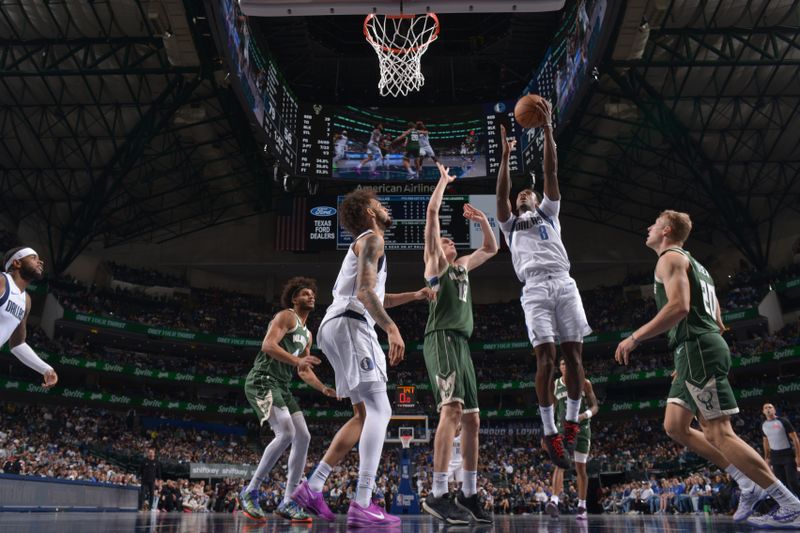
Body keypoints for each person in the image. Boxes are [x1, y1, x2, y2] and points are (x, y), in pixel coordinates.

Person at [614, 209, 800, 528]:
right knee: (675, 425)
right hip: (695, 351)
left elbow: (680, 307)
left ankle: (790, 503)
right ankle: (745, 481)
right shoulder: (699, 267)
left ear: (667, 230)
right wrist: (685, 360)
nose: (648, 227)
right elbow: (716, 318)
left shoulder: (669, 258)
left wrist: (635, 337)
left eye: (654, 224)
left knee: (719, 432)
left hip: (698, 350)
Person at [292, 189, 432, 527]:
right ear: (369, 213)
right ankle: (363, 501)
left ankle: (314, 485)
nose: (384, 207)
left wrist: (414, 295)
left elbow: (377, 294)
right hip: (352, 325)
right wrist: (392, 330)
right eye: (378, 204)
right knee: (382, 409)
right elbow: (365, 294)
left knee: (363, 413)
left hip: (337, 325)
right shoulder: (373, 241)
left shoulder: (367, 246)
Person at [495, 102, 592, 470]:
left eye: (526, 194)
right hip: (534, 288)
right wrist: (505, 157)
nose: (521, 195)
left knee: (575, 358)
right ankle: (550, 431)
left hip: (565, 284)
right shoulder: (509, 224)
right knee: (546, 359)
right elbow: (501, 194)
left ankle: (570, 423)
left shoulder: (549, 212)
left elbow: (550, 169)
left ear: (537, 199)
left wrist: (549, 129)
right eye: (519, 196)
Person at [420, 163, 497, 525]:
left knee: (473, 420)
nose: (449, 241)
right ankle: (437, 493)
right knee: (450, 411)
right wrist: (443, 182)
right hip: (443, 340)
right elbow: (433, 213)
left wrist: (483, 219)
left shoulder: (463, 265)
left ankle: (468, 493)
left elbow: (492, 248)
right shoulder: (435, 263)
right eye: (446, 240)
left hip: (462, 345)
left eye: (452, 240)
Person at [239, 277, 337, 523]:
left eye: (313, 294)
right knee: (285, 432)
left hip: (281, 385)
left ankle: (289, 500)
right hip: (262, 379)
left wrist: (324, 389)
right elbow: (268, 345)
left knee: (303, 435)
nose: (311, 297)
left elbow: (303, 370)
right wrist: (296, 361)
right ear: (294, 298)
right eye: (305, 294)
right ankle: (250, 491)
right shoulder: (286, 316)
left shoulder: (308, 334)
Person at [547, 358, 598, 520]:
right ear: (559, 368)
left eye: (567, 363)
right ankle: (554, 501)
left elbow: (595, 406)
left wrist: (584, 415)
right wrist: (548, 430)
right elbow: (551, 408)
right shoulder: (555, 385)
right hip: (562, 430)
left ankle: (582, 505)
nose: (565, 366)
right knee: (559, 464)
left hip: (582, 430)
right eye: (562, 364)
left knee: (580, 469)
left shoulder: (584, 383)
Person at [1, 247, 58, 388]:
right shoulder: (2, 281)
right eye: (34, 258)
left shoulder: (26, 301)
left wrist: (45, 369)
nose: (41, 262)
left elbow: (17, 344)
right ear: (17, 263)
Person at [762, 403, 800, 496]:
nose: (768, 409)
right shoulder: (763, 425)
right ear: (763, 412)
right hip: (775, 457)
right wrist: (766, 458)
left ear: (774, 410)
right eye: (766, 408)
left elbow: (795, 439)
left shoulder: (783, 421)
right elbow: (765, 442)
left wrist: (798, 456)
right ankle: (792, 506)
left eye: (770, 407)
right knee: (782, 484)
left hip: (787, 455)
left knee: (792, 481)